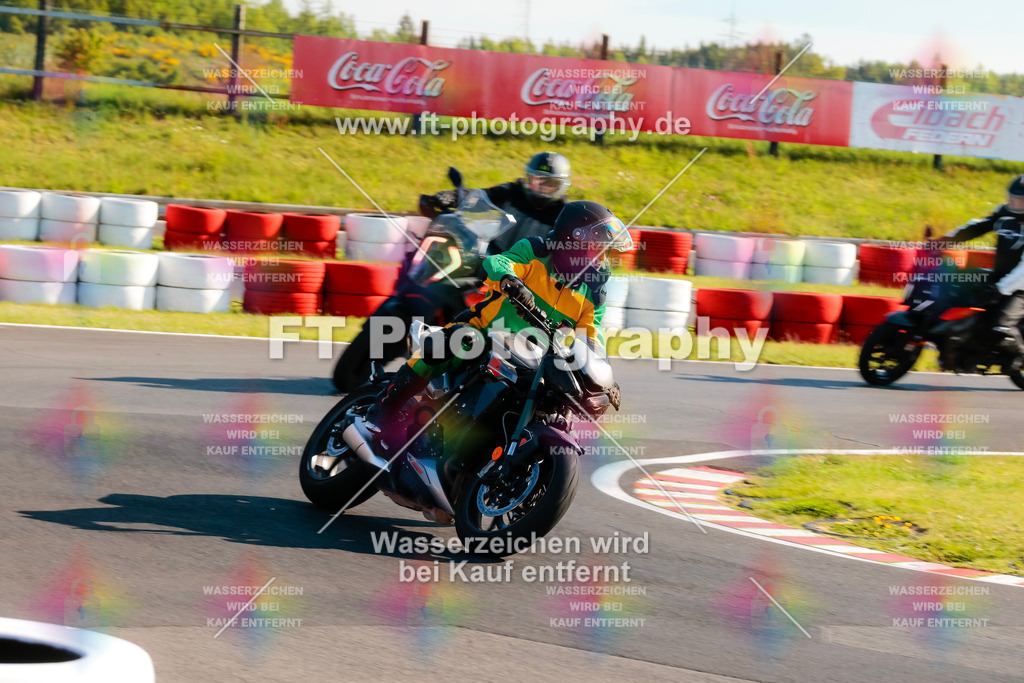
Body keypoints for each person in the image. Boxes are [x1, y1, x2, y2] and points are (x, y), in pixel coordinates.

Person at [358, 200, 632, 454]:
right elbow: (497, 262)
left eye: (604, 252)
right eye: (597, 248)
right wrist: (510, 280)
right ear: (571, 239)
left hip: (534, 358)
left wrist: (603, 378)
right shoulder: (535, 251)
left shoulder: (593, 294)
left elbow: (591, 338)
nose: (600, 258)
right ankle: (384, 407)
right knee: (452, 342)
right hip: (486, 333)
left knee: (566, 398)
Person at [931, 174, 1024, 354]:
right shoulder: (1004, 214)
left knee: (1000, 328)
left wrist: (1000, 289)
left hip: (1021, 288)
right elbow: (977, 227)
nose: (1015, 203)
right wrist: (940, 243)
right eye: (1013, 198)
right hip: (1000, 278)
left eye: (1021, 200)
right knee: (957, 283)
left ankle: (1019, 356)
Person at [420, 151, 572, 254]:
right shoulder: (514, 191)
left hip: (530, 279)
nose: (539, 187)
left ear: (560, 186)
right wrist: (451, 196)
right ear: (527, 178)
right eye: (535, 180)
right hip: (490, 261)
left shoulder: (566, 214)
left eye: (548, 183)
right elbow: (481, 194)